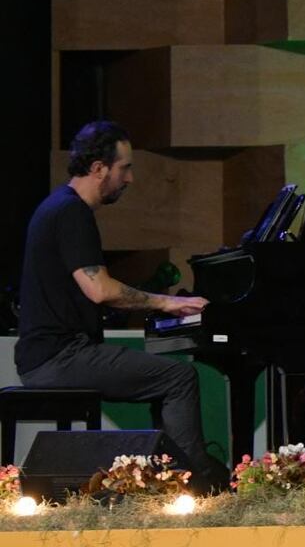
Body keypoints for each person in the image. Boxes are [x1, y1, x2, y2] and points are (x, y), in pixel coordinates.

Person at [16, 121, 228, 489]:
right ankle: (197, 482)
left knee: (165, 379)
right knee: (178, 378)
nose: (129, 178)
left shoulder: (58, 207)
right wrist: (167, 304)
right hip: (58, 358)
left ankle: (167, 477)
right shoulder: (71, 213)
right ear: (99, 168)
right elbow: (100, 290)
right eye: (124, 168)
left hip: (51, 355)